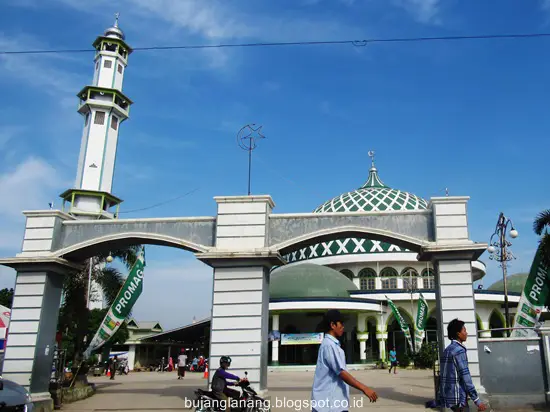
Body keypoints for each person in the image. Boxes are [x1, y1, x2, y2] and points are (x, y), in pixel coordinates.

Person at [311, 309, 378, 412]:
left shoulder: (333, 345)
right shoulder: (329, 346)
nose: (343, 327)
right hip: (328, 406)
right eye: (341, 323)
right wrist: (364, 388)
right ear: (333, 325)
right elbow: (341, 372)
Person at [440, 319, 487, 412]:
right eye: (464, 330)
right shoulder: (459, 350)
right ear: (458, 334)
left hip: (449, 396)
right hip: (459, 397)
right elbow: (465, 376)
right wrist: (477, 400)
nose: (467, 333)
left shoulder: (447, 350)